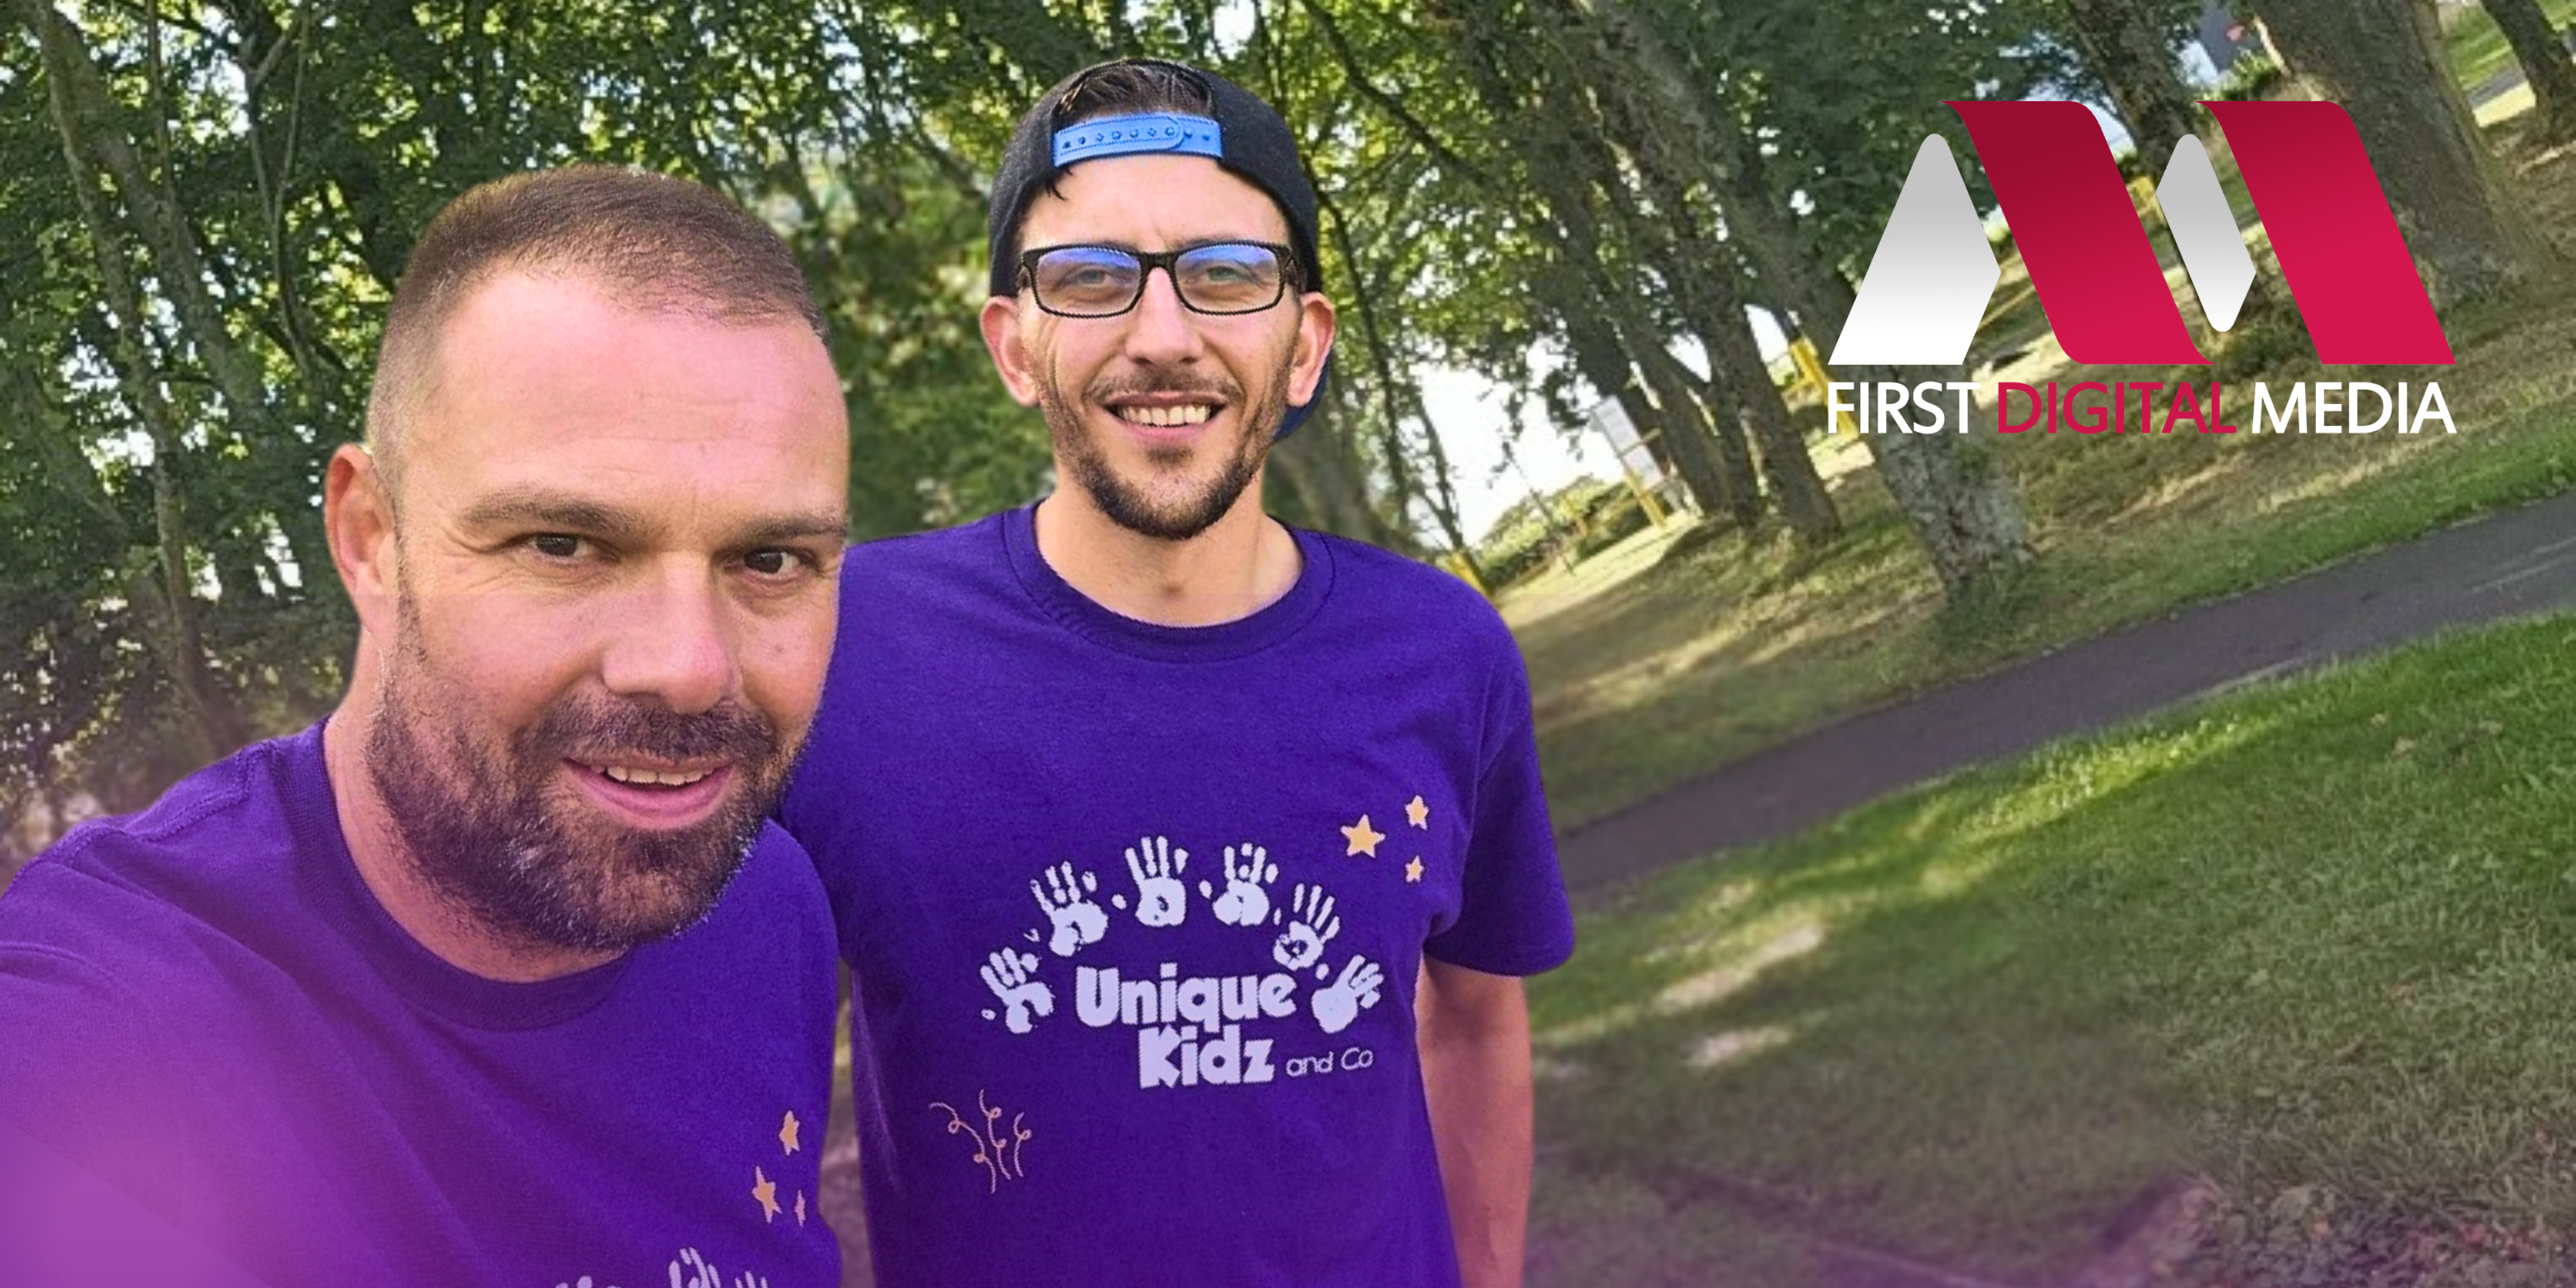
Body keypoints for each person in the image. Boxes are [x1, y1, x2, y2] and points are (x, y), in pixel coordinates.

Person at [780, 57, 1574, 1288]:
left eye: (1226, 276)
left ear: (1303, 346)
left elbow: (1471, 1022)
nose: (1163, 338)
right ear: (1014, 344)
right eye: (1090, 279)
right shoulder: (838, 647)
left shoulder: (1443, 653)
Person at [0, 166, 853, 1288]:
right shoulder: (111, 1039)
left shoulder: (764, 901)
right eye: (563, 544)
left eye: (770, 560)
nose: (689, 670)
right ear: (369, 541)